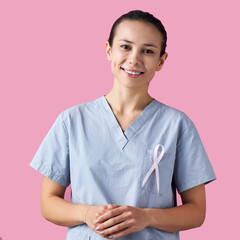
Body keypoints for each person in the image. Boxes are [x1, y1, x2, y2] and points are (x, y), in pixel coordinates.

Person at [30, 10, 216, 240]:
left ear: (161, 61)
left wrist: (147, 217)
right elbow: (48, 203)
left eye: (148, 51)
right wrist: (86, 213)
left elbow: (196, 211)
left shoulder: (177, 126)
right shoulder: (71, 121)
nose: (134, 59)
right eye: (125, 47)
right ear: (109, 50)